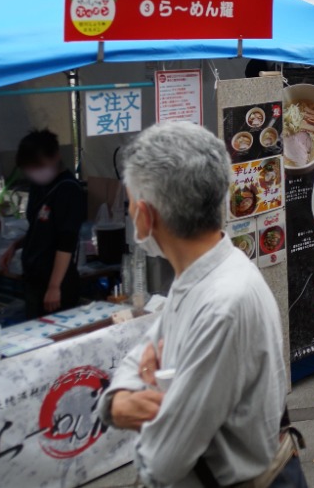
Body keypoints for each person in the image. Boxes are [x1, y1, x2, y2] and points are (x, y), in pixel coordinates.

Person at [97, 123, 293, 487]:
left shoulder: (224, 303)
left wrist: (145, 397)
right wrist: (119, 402)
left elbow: (161, 462)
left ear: (145, 214)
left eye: (129, 204)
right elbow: (139, 354)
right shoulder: (199, 275)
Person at [1, 129, 86, 318]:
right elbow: (40, 228)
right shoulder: (39, 185)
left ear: (55, 157)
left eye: (38, 165)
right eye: (29, 168)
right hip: (34, 277)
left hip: (56, 282)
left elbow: (66, 242)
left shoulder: (68, 189)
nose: (34, 172)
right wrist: (16, 245)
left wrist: (54, 287)